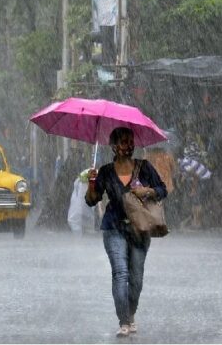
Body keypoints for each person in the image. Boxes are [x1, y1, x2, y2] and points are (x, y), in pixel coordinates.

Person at [85, 127, 167, 337]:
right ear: (113, 146)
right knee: (120, 273)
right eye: (123, 142)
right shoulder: (105, 171)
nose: (128, 146)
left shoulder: (144, 167)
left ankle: (131, 314)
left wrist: (147, 190)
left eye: (131, 142)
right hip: (114, 228)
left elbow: (162, 190)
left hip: (139, 229)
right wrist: (91, 184)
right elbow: (91, 201)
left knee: (136, 278)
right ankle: (123, 321)